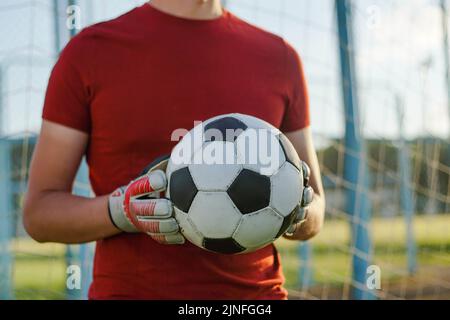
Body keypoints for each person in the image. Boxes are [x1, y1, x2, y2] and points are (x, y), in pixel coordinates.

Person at [23, 0, 325, 299]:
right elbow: (40, 214)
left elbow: (316, 208)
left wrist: (297, 211)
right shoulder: (89, 51)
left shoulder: (279, 57)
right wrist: (120, 211)